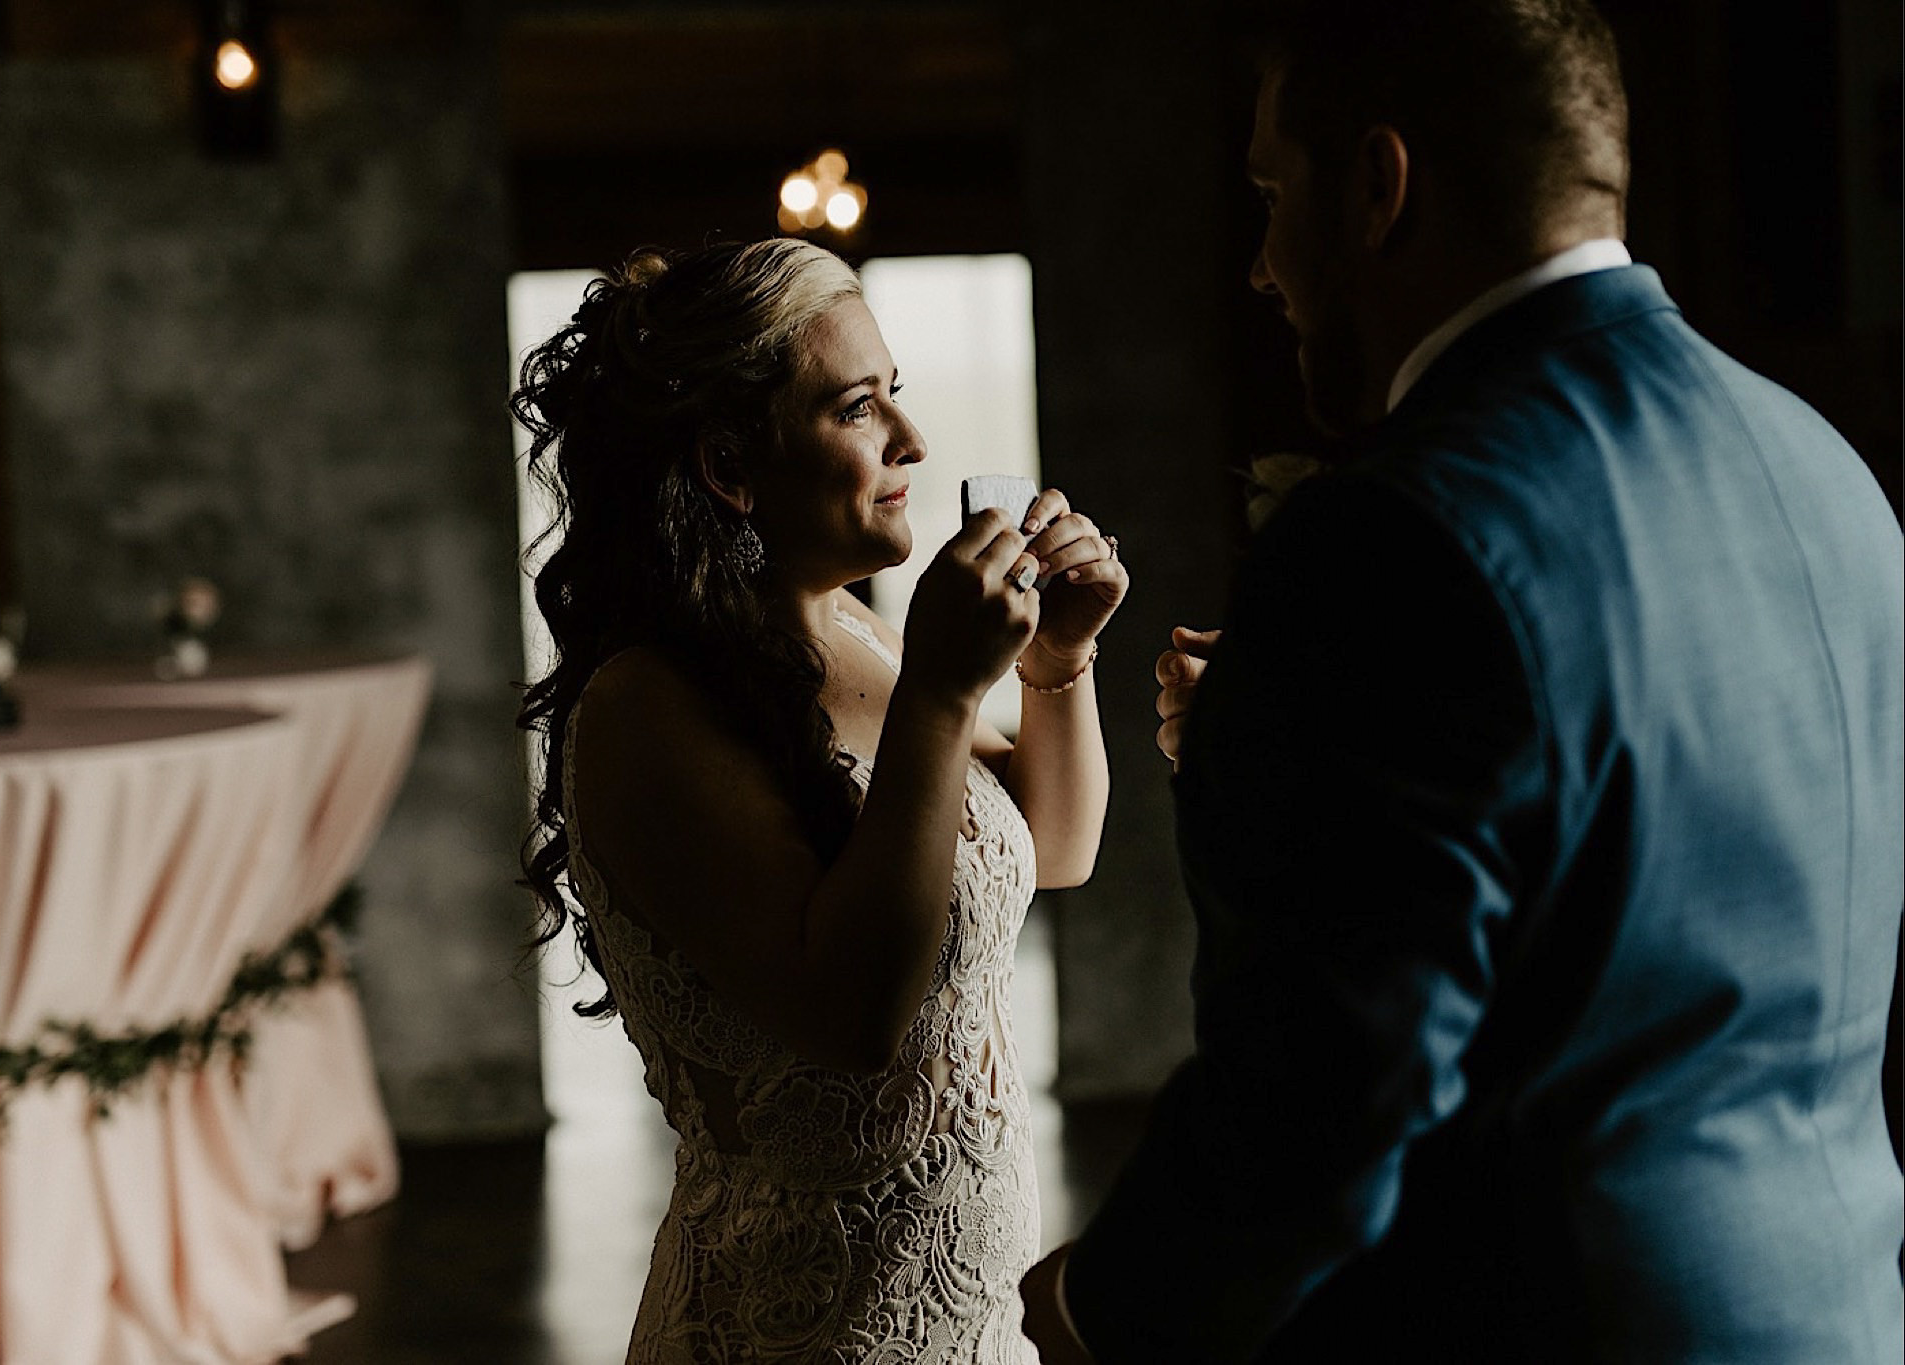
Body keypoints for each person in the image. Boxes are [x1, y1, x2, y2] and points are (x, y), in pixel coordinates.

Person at [1020, 1, 1904, 1360]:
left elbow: (1324, 1089)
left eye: (1274, 195)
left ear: (1379, 187)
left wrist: (1107, 1308)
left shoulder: (1394, 531)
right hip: (1828, 1314)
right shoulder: (1820, 463)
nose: (1260, 266)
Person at [515, 237, 1127, 1361]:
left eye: (895, 392)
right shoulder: (648, 708)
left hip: (971, 1318)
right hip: (798, 1329)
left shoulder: (859, 632)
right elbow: (853, 1016)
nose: (912, 439)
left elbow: (1052, 847)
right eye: (856, 408)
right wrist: (942, 690)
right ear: (729, 466)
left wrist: (1058, 662)